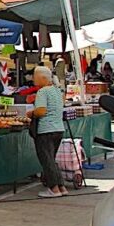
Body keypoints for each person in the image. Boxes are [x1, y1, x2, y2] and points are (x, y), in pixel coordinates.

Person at [27, 66, 68, 198]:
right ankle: (61, 186)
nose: (33, 79)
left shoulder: (43, 92)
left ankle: (54, 189)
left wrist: (31, 113)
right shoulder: (57, 90)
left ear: (42, 78)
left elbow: (41, 111)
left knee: (46, 160)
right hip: (58, 128)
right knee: (51, 159)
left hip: (46, 130)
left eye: (35, 76)